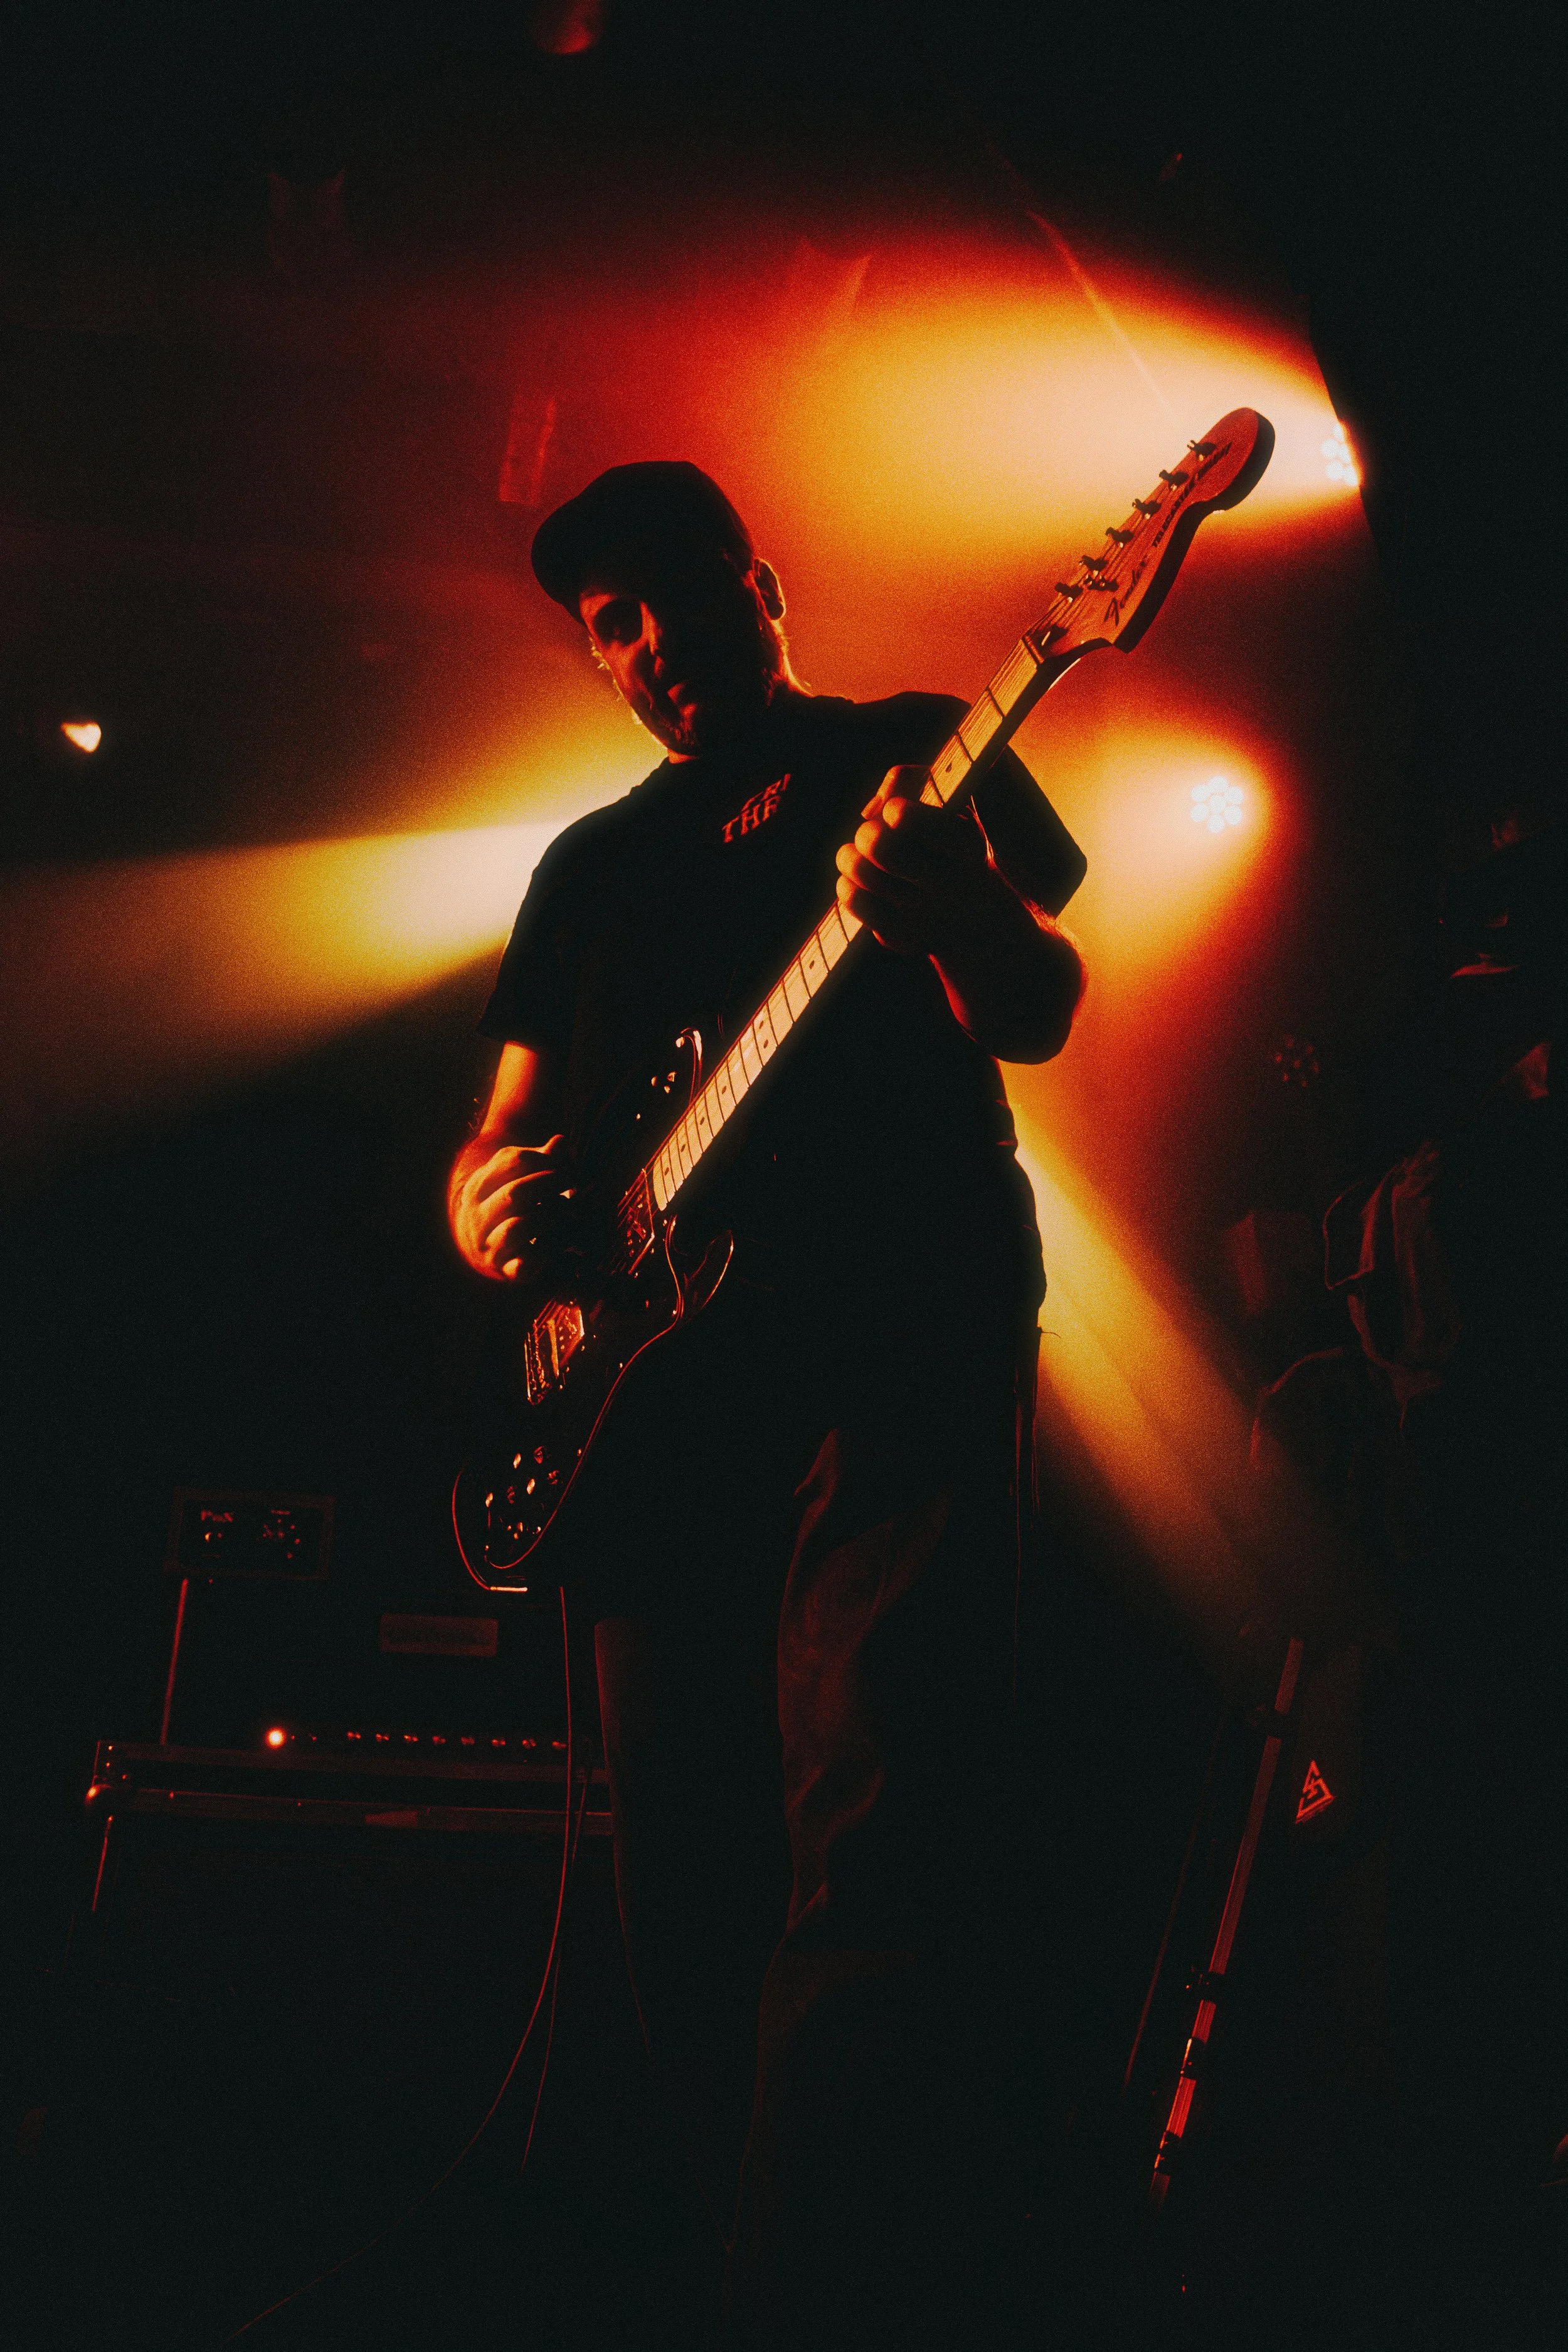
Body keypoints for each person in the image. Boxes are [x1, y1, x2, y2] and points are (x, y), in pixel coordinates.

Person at [448, 462, 1086, 2348]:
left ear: (761, 584)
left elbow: (1040, 1004)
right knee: (689, 1891)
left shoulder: (916, 752)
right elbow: (504, 1134)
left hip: (896, 1349)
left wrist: (956, 909)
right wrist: (488, 1213)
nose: (644, 650)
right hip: (657, 1428)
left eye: (668, 600)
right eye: (608, 628)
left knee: (876, 1820)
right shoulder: (591, 869)